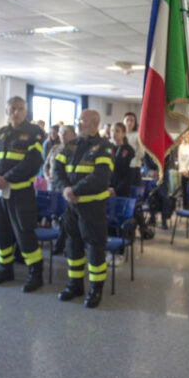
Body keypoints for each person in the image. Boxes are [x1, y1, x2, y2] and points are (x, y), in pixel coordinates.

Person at [54, 109, 114, 308]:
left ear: (95, 124)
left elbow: (100, 177)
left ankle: (96, 290)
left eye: (83, 121)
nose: (78, 124)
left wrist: (75, 190)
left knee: (95, 248)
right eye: (78, 120)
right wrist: (65, 189)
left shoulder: (104, 147)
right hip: (71, 205)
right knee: (72, 245)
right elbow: (57, 169)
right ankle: (75, 285)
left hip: (92, 207)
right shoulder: (71, 145)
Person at [0, 96, 45, 291]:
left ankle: (35, 273)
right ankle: (5, 269)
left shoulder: (34, 132)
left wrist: (6, 178)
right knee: (0, 231)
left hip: (20, 193)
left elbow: (33, 161)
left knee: (24, 233)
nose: (16, 112)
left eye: (20, 108)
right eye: (12, 108)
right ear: (6, 111)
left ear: (25, 111)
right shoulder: (1, 132)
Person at [44, 124, 75, 255]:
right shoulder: (55, 148)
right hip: (52, 187)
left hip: (66, 187)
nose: (62, 135)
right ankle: (58, 241)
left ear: (73, 135)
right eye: (61, 133)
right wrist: (47, 176)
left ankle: (64, 244)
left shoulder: (76, 149)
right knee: (55, 215)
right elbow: (46, 165)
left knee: (66, 216)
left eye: (65, 133)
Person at [109, 122, 134, 198]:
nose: (114, 133)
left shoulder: (129, 150)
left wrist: (116, 190)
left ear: (124, 134)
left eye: (117, 131)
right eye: (112, 130)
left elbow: (129, 174)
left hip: (122, 190)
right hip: (107, 189)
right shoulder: (107, 148)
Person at [123, 112, 144, 184]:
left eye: (132, 120)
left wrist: (132, 159)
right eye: (127, 120)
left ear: (135, 123)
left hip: (133, 166)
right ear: (123, 121)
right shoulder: (120, 135)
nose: (129, 123)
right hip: (120, 167)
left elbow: (141, 152)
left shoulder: (138, 135)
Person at [177, 130, 189, 206]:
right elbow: (180, 160)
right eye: (186, 135)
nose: (188, 136)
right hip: (184, 171)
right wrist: (184, 170)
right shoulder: (181, 146)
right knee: (184, 191)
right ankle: (185, 206)